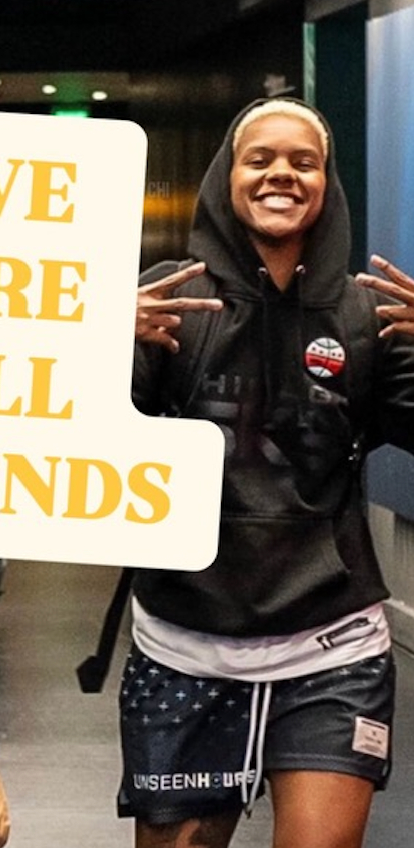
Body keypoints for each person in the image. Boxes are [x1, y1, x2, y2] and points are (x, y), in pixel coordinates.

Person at [120, 97, 414, 848]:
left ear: (326, 183)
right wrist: (102, 342)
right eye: (261, 159)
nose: (282, 173)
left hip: (333, 643)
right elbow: (88, 439)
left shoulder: (367, 315)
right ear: (228, 176)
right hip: (184, 642)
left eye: (302, 162)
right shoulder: (172, 300)